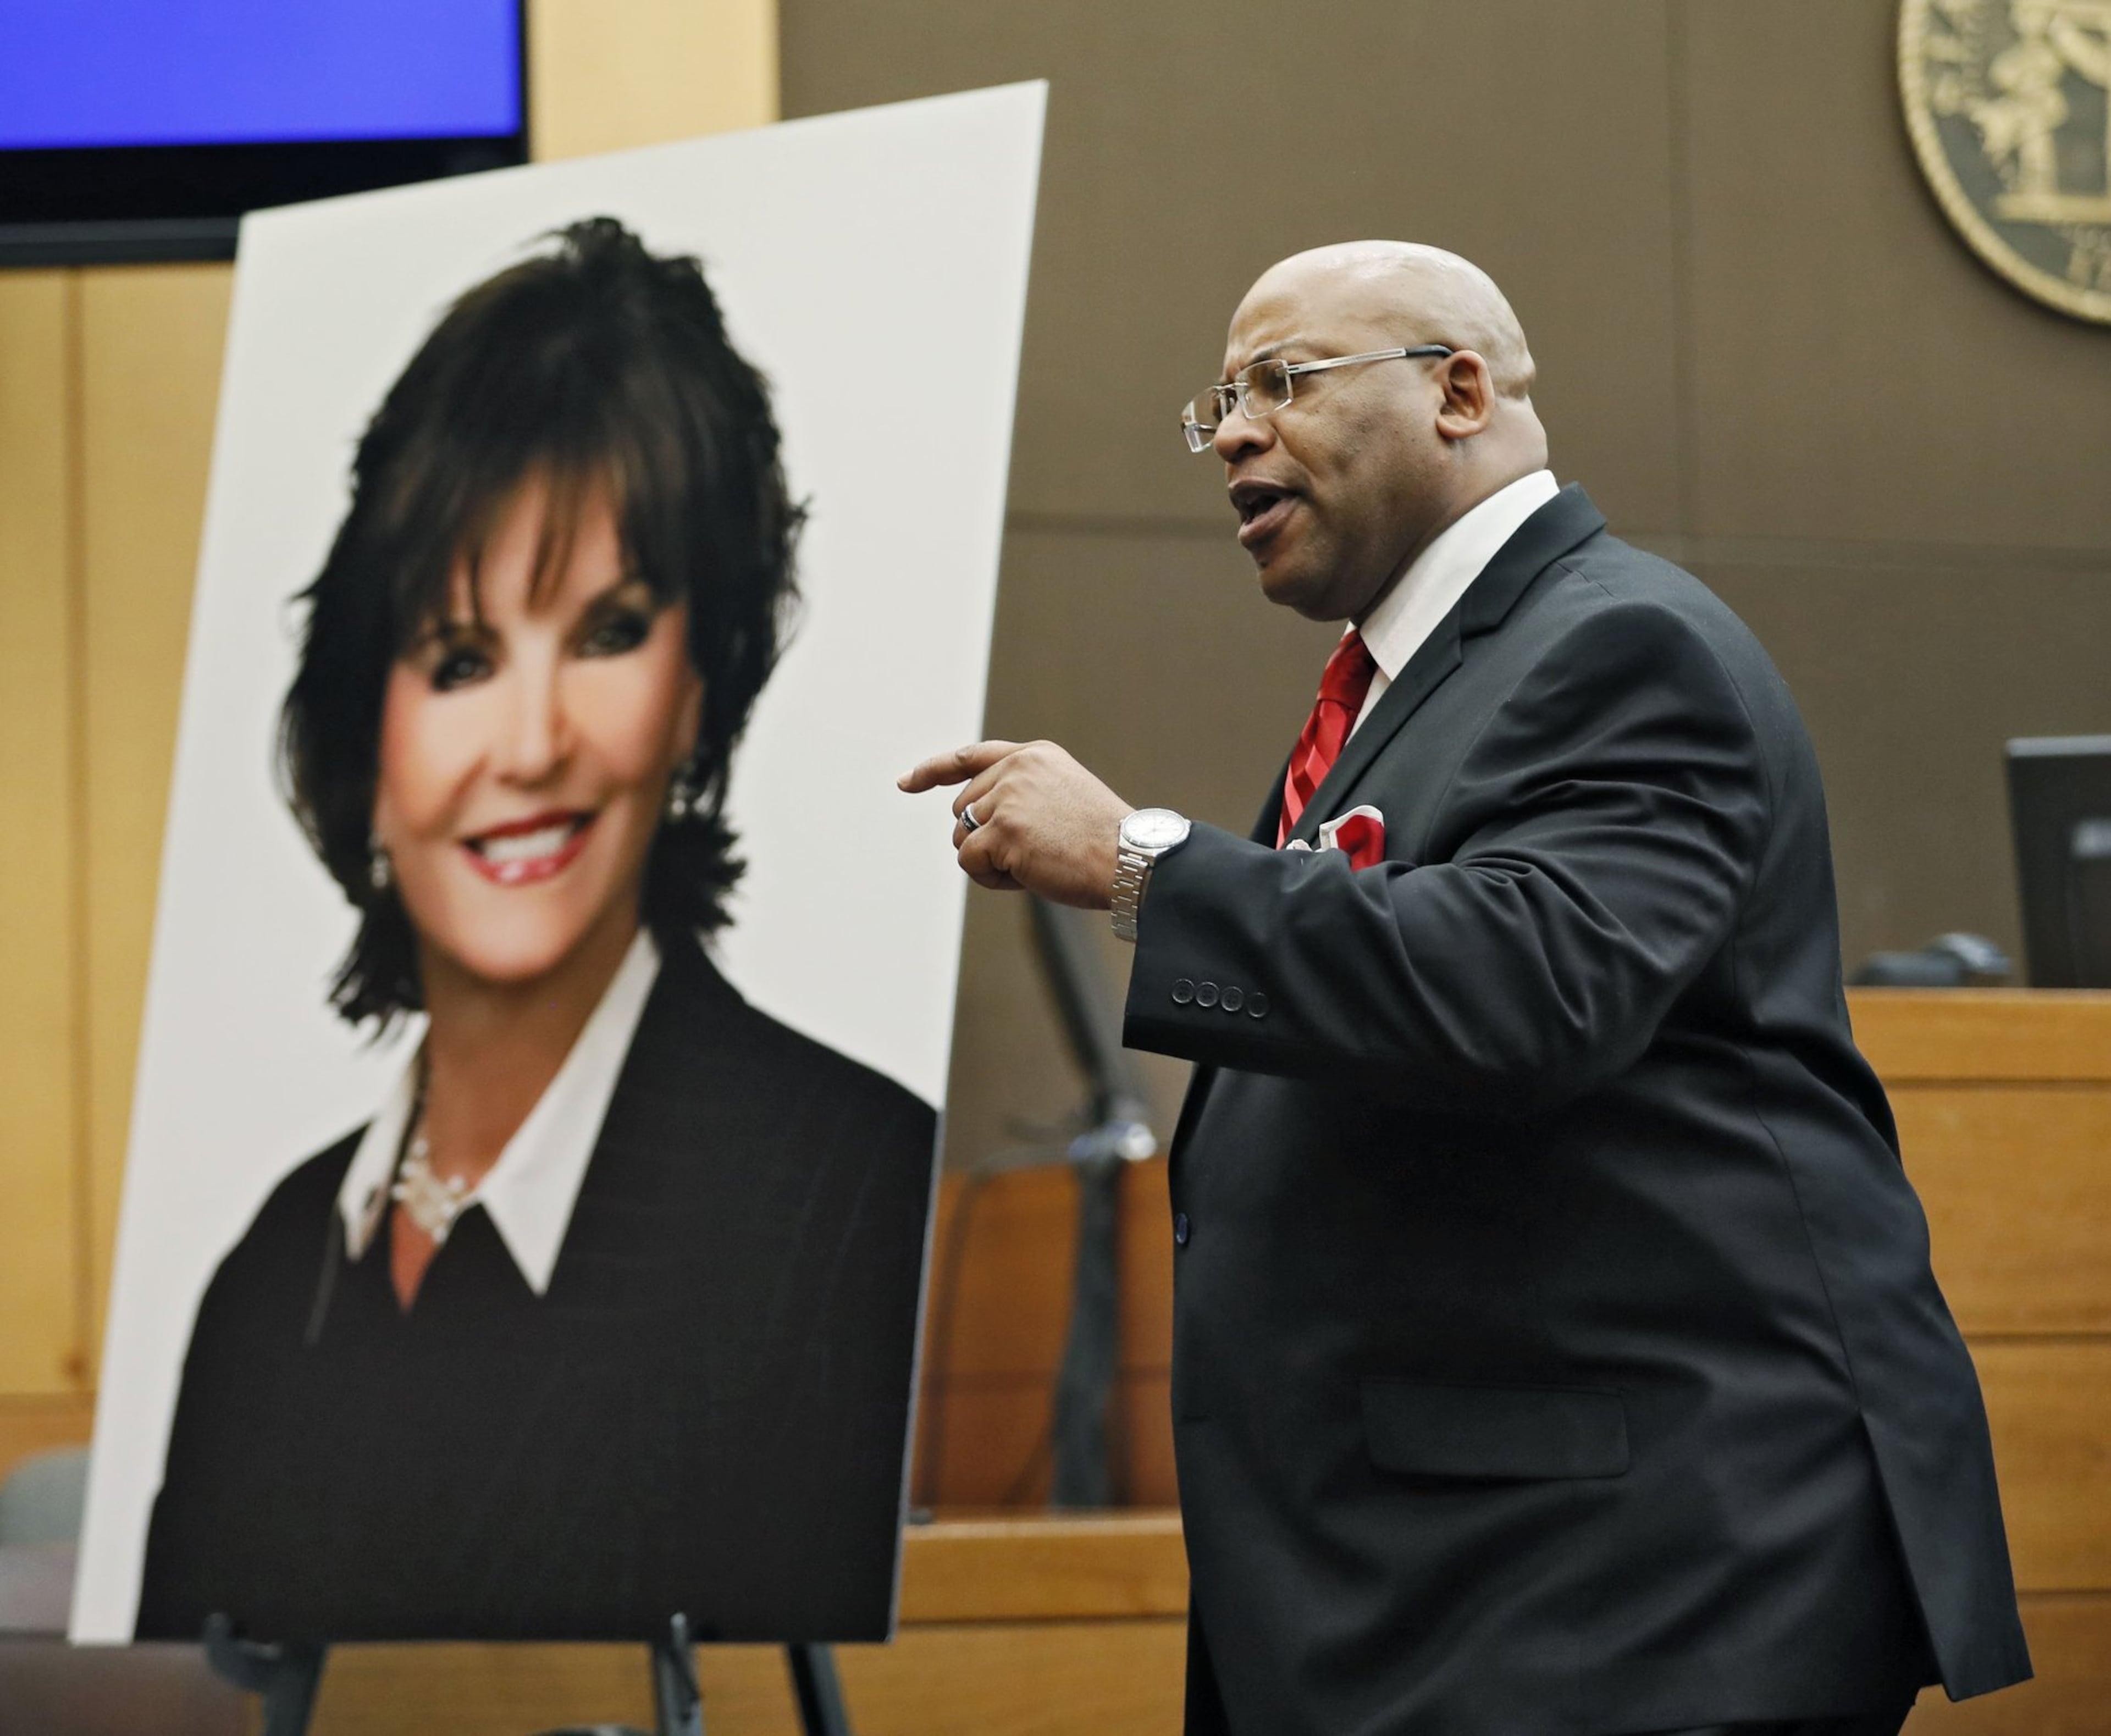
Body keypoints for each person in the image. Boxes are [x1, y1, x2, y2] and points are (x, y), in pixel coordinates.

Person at [901, 242, 2030, 1735]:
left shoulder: (1626, 644)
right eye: (1220, 404)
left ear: (1460, 391)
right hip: (1475, 1581)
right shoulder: (1410, 691)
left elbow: (1526, 986)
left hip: (1638, 1585)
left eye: (1283, 384)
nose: (1235, 431)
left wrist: (1142, 860)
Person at [136, 219, 937, 1645]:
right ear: (364, 730)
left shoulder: (857, 1201)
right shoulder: (267, 1282)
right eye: (457, 659)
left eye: (610, 632)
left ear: (703, 683)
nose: (529, 743)